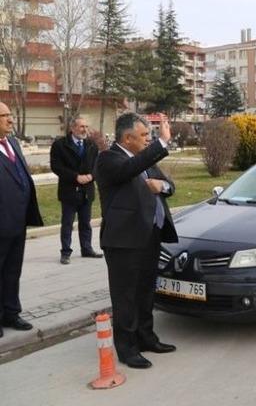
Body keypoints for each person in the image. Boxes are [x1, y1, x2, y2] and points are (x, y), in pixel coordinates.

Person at [94, 113, 178, 369]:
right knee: (125, 297)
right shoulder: (109, 159)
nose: (147, 139)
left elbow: (169, 185)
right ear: (127, 138)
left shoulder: (144, 160)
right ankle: (127, 348)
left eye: (150, 136)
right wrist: (162, 143)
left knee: (145, 292)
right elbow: (130, 169)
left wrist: (160, 187)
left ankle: (146, 337)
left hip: (150, 235)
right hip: (124, 241)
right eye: (143, 136)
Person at [0, 102, 43, 338]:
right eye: (4, 116)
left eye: (10, 115)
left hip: (18, 221)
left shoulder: (13, 143)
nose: (10, 119)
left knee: (12, 271)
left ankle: (11, 313)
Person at [50, 115, 101, 264]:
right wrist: (75, 177)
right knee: (67, 223)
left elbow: (98, 165)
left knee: (86, 223)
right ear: (72, 128)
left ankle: (87, 249)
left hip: (87, 191)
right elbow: (56, 166)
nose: (84, 130)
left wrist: (92, 176)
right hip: (69, 191)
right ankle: (65, 252)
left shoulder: (92, 145)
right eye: (81, 127)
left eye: (86, 127)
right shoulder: (60, 145)